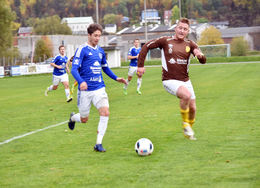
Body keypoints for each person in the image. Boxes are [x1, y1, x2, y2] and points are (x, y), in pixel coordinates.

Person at [137, 18, 206, 140]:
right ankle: (185, 124)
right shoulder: (165, 41)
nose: (182, 31)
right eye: (180, 28)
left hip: (185, 80)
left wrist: (200, 55)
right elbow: (146, 46)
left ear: (188, 31)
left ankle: (188, 129)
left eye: (185, 29)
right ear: (175, 28)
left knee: (193, 109)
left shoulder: (190, 44)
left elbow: (202, 60)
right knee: (186, 95)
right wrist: (140, 66)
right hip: (169, 80)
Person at [68, 23, 127, 152]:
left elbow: (105, 68)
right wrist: (81, 81)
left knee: (105, 112)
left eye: (99, 36)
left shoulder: (100, 51)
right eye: (95, 35)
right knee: (84, 119)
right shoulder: (82, 49)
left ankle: (98, 144)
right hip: (85, 91)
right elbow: (74, 70)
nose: (97, 38)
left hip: (99, 89)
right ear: (89, 35)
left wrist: (116, 78)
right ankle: (73, 117)